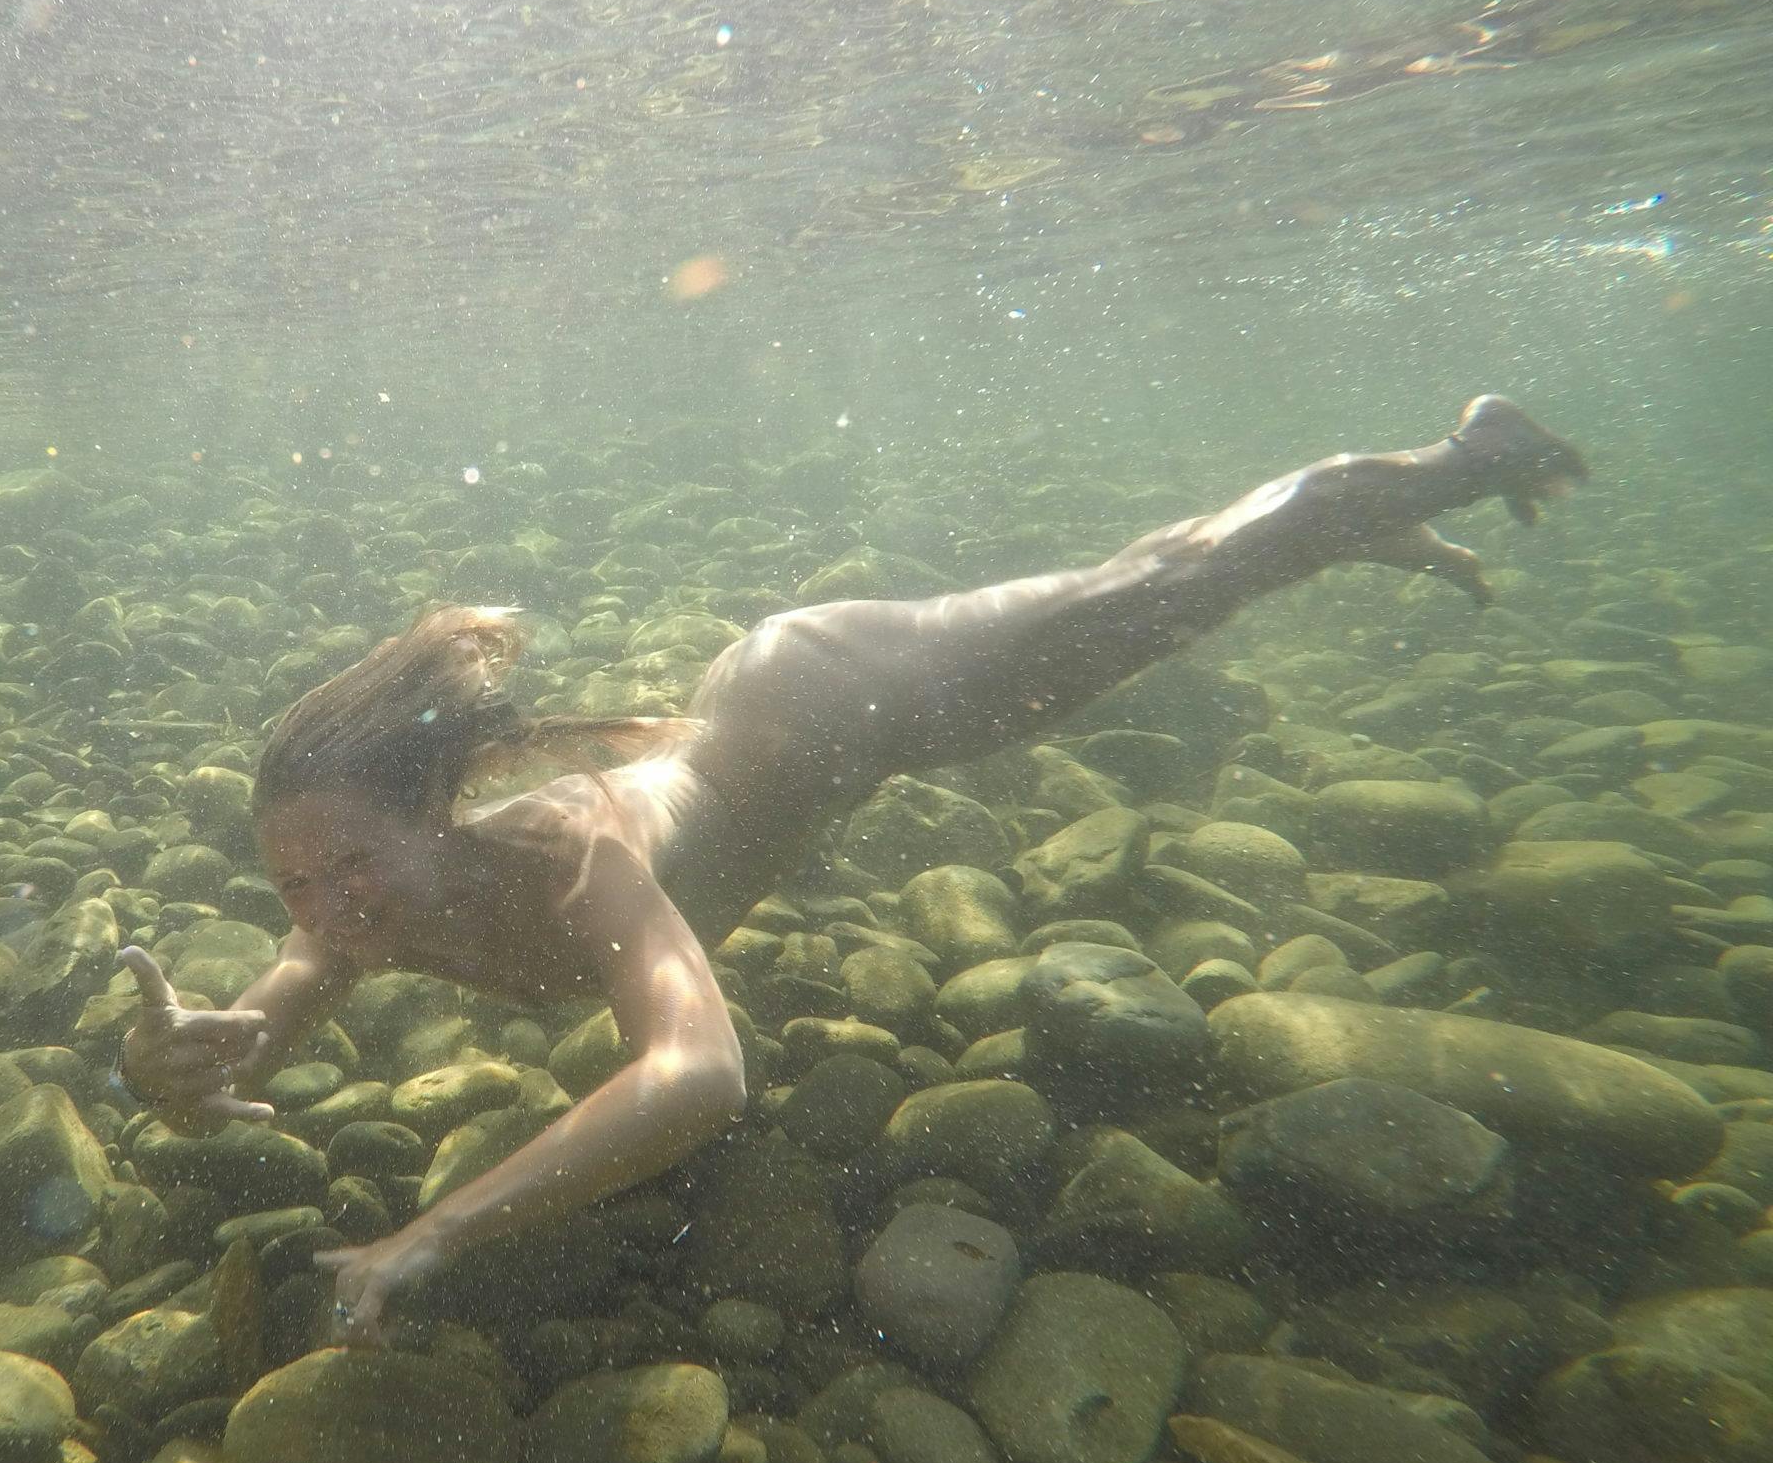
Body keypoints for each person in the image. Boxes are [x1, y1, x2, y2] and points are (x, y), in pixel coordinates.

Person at [116, 394, 1589, 1343]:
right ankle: (1363, 533)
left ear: (432, 818)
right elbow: (287, 996)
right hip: (793, 727)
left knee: (1150, 592)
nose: (329, 914)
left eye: (349, 871)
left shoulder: (573, 861)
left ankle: (1464, 452)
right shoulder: (356, 914)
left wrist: (439, 1231)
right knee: (1158, 608)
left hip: (826, 699)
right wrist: (181, 1060)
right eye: (294, 885)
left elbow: (701, 1079)